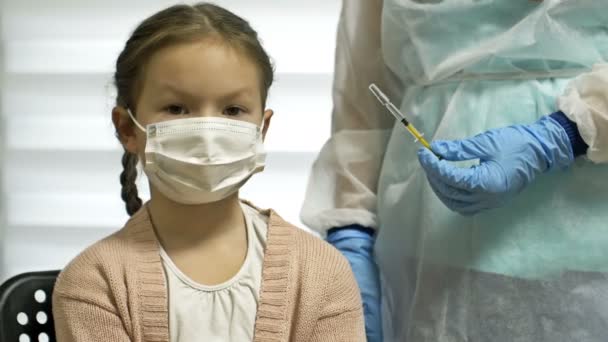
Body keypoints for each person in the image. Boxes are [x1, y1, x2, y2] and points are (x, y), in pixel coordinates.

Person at [52, 3, 365, 341]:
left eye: (232, 110)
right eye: (176, 108)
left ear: (262, 128)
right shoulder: (94, 284)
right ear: (128, 128)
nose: (207, 131)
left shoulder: (320, 274)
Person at [301, 0, 608, 341]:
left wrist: (569, 131)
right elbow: (364, 93)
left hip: (586, 233)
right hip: (422, 245)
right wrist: (351, 229)